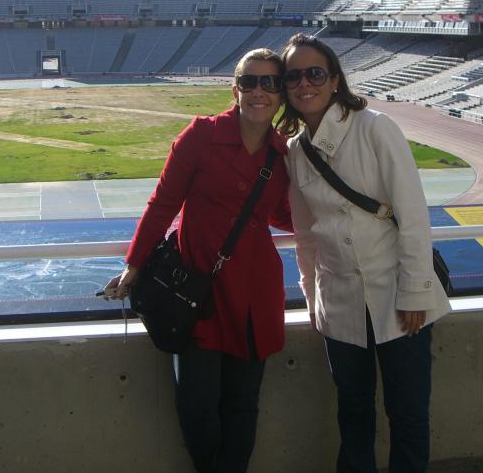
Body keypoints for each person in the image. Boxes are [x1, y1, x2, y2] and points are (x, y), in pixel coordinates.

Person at [105, 48, 292, 473]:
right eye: (249, 82)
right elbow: (162, 204)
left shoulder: (283, 155)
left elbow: (284, 213)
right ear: (235, 90)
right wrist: (135, 265)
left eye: (270, 83)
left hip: (255, 296)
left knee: (243, 403)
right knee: (196, 405)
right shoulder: (201, 136)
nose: (259, 91)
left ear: (281, 94)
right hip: (198, 293)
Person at [278, 33, 452, 473]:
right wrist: (313, 297)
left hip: (397, 295)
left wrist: (415, 291)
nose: (304, 84)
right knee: (352, 412)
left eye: (315, 73)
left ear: (335, 79)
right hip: (339, 300)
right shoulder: (295, 151)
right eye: (293, 76)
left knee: (408, 411)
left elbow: (413, 216)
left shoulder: (375, 127)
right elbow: (306, 234)